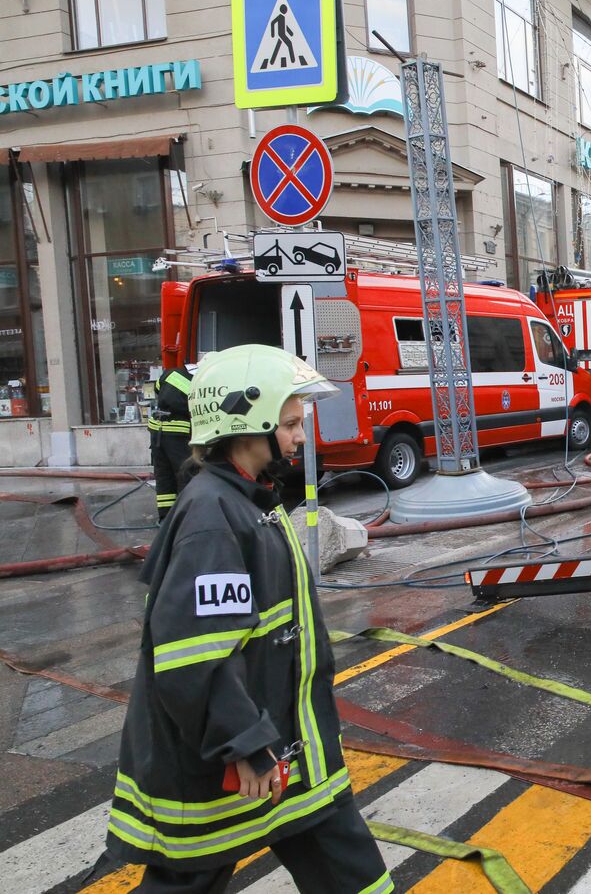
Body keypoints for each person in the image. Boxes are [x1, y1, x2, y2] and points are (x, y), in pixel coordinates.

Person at [107, 345, 391, 894]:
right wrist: (246, 743)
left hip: (283, 742)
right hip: (243, 749)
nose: (299, 438)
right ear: (246, 427)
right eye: (288, 425)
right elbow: (197, 653)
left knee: (349, 869)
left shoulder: (245, 499)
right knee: (189, 878)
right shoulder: (214, 515)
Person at [148, 364, 195, 521]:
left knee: (163, 476)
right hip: (179, 433)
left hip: (157, 431)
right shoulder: (199, 380)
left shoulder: (170, 373)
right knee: (185, 474)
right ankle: (184, 518)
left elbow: (157, 388)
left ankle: (165, 518)